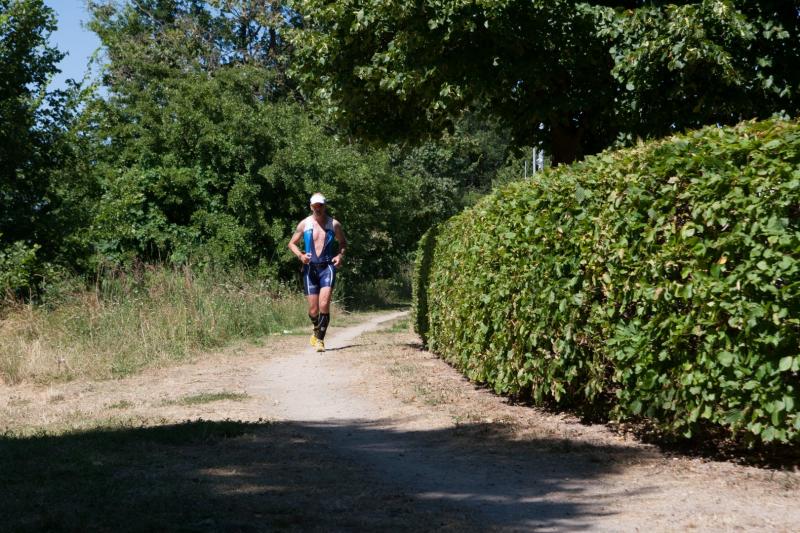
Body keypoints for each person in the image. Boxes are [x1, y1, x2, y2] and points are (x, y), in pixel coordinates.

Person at [287, 192, 347, 352]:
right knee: (313, 310)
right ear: (311, 206)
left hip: (327, 267)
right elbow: (291, 243)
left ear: (325, 206)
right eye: (315, 206)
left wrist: (340, 256)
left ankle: (320, 340)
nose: (318, 208)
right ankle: (316, 329)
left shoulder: (334, 224)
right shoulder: (304, 224)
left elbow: (343, 242)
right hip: (310, 269)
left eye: (320, 205)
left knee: (324, 304)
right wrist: (300, 256)